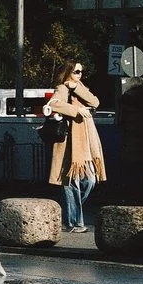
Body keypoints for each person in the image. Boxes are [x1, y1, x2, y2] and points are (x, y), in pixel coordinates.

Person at [44, 63, 105, 232]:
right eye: (76, 71)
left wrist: (77, 88)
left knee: (90, 180)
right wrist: (77, 110)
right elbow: (54, 104)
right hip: (69, 143)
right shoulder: (62, 89)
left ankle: (68, 214)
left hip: (85, 142)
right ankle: (75, 223)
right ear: (68, 73)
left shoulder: (80, 88)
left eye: (81, 72)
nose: (80, 74)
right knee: (71, 182)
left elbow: (95, 102)